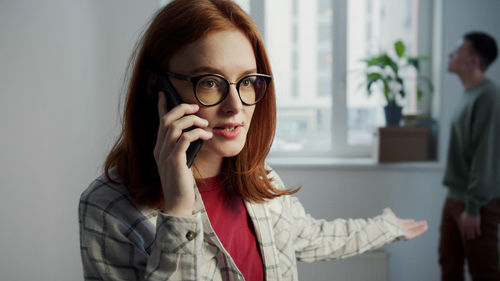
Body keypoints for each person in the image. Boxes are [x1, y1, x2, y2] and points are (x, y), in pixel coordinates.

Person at [78, 0, 428, 280]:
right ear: (157, 87)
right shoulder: (108, 207)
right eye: (210, 82)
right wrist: (180, 210)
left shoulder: (260, 180)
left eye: (246, 82)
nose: (235, 107)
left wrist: (387, 228)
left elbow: (312, 237)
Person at [439, 31, 500, 281]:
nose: (451, 55)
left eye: (458, 51)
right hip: (455, 198)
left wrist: (473, 207)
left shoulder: (488, 96)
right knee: (448, 265)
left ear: (474, 61)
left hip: (477, 205)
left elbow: (486, 154)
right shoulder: (469, 94)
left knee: (483, 271)